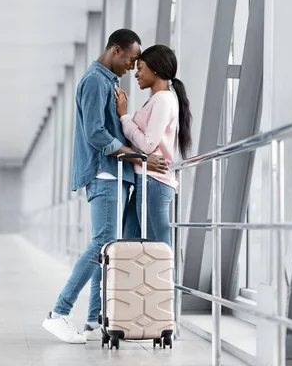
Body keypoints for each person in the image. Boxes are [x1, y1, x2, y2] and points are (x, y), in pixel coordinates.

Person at [42, 30, 170, 344]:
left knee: (107, 249)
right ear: (115, 50)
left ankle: (93, 319)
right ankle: (58, 314)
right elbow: (96, 134)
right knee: (103, 243)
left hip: (116, 173)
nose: (132, 66)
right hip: (104, 173)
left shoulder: (109, 83)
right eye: (130, 59)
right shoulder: (95, 81)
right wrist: (140, 156)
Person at [114, 44, 192, 246]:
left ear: (155, 69)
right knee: (129, 243)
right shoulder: (158, 100)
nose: (136, 74)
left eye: (140, 68)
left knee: (157, 250)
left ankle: (167, 280)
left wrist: (124, 116)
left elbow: (148, 145)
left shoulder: (164, 100)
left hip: (153, 182)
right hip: (147, 180)